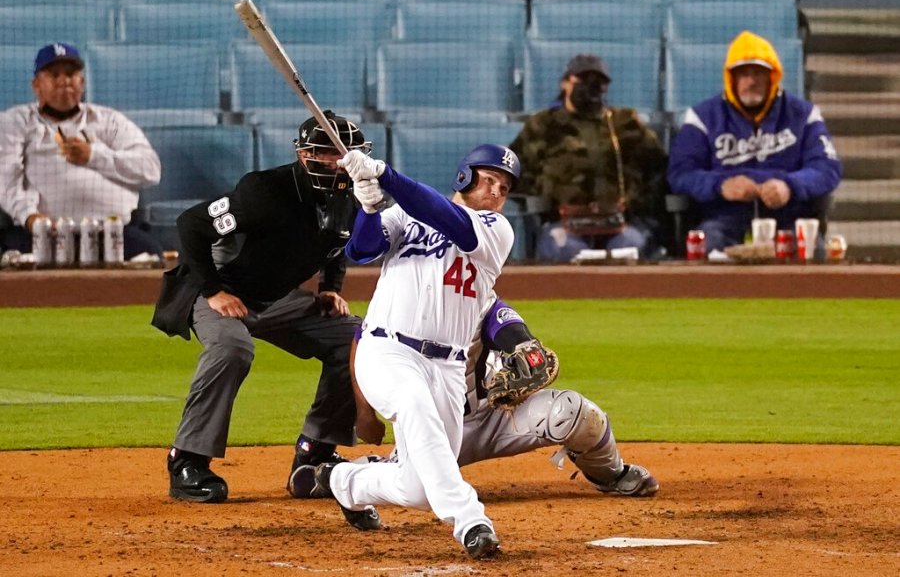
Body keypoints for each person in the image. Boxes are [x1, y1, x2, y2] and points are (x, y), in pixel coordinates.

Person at [294, 144, 520, 559]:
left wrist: (385, 174)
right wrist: (368, 204)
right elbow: (360, 251)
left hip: (448, 369)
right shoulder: (406, 214)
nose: (495, 191)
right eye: (488, 179)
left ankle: (346, 482)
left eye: (503, 187)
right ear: (464, 177)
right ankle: (472, 521)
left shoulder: (496, 230)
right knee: (413, 403)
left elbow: (450, 220)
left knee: (418, 488)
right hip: (387, 350)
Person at [151, 112, 373, 511]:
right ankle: (187, 462)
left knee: (356, 341)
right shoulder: (265, 191)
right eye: (329, 153)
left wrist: (329, 289)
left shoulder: (355, 196)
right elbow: (191, 225)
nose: (340, 162)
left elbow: (337, 243)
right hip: (219, 289)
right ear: (305, 155)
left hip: (277, 298)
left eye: (346, 153)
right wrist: (214, 290)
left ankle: (314, 458)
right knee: (233, 349)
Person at [290, 296, 659, 500]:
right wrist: (365, 411)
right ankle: (336, 476)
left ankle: (613, 474)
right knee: (412, 485)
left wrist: (525, 353)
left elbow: (514, 332)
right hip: (436, 429)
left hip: (496, 417)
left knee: (571, 412)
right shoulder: (401, 302)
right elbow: (360, 341)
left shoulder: (482, 299)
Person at [667, 31, 841, 255]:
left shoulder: (804, 114)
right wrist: (721, 185)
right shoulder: (702, 117)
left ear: (772, 77)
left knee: (812, 249)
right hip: (724, 219)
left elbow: (828, 168)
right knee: (706, 244)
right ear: (732, 78)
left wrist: (789, 186)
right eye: (743, 74)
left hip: (788, 217)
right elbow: (680, 174)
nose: (751, 81)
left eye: (759, 73)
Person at [0, 42, 163, 259]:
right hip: (41, 234)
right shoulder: (14, 122)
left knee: (156, 264)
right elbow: (5, 178)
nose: (64, 80)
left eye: (70, 74)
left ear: (82, 82)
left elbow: (151, 169)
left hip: (115, 233)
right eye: (53, 74)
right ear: (36, 85)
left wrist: (94, 156)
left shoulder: (110, 120)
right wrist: (31, 218)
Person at [509, 53, 668, 262]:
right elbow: (510, 171)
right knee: (567, 252)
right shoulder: (542, 125)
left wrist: (634, 202)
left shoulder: (626, 123)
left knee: (627, 251)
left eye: (599, 82)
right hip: (563, 223)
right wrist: (542, 197)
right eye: (583, 80)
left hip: (621, 223)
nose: (592, 87)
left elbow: (660, 168)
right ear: (566, 83)